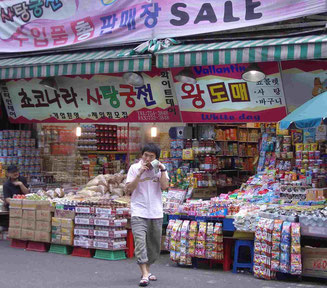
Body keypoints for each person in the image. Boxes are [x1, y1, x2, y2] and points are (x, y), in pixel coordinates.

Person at [126, 143, 169, 287]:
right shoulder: (134, 168)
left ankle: (148, 271)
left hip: (156, 212)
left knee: (153, 245)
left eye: (151, 156)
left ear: (156, 158)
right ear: (141, 155)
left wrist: (163, 170)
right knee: (140, 243)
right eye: (146, 155)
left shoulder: (159, 169)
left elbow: (165, 187)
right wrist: (139, 174)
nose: (148, 159)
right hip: (139, 211)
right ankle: (144, 274)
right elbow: (129, 189)